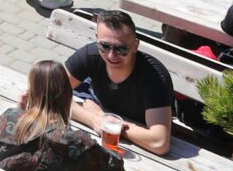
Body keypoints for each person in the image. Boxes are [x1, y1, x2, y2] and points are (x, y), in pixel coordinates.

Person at [0, 59, 131, 171]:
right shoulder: (75, 140)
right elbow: (114, 165)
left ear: (31, 92)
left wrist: (20, 112)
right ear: (68, 94)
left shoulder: (9, 117)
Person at [64, 11, 174, 156]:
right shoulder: (90, 55)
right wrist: (94, 119)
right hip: (103, 130)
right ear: (97, 40)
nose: (111, 55)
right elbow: (50, 92)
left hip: (138, 143)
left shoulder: (154, 77)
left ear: (135, 46)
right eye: (104, 46)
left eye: (121, 49)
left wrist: (109, 123)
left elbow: (160, 143)